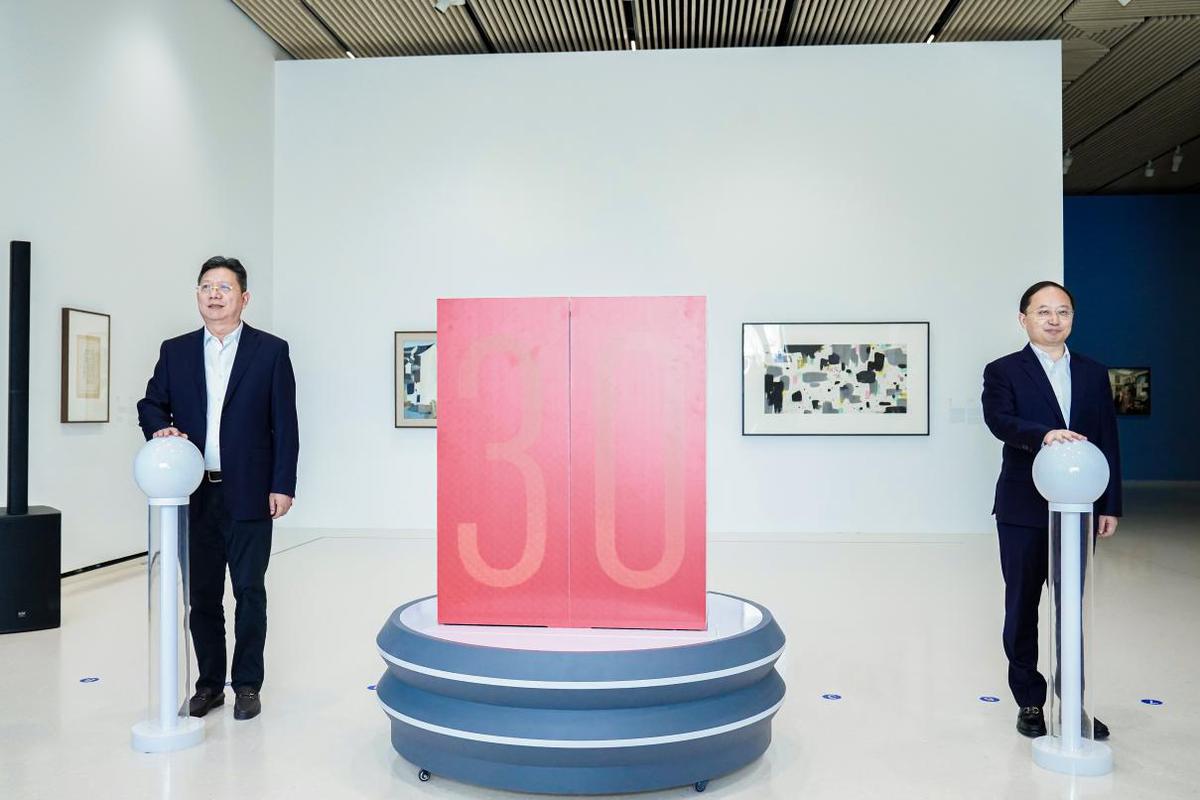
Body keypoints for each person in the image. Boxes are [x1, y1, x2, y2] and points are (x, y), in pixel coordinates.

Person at [137, 256, 299, 721]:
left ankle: (247, 684)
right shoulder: (176, 351)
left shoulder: (270, 351)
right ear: (197, 295)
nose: (214, 294)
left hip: (250, 491)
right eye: (206, 286)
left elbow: (285, 424)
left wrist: (282, 484)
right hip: (195, 494)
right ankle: (209, 685)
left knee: (249, 591)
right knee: (202, 596)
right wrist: (160, 428)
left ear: (244, 298)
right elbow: (150, 403)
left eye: (224, 288)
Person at [981, 280, 1121, 740]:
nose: (1054, 319)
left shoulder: (1093, 372)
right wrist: (1044, 435)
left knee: (1070, 609)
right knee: (1022, 607)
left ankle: (1073, 704)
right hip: (1022, 508)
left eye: (1063, 311)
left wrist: (1110, 504)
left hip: (1079, 509)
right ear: (1023, 319)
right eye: (1043, 311)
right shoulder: (1003, 370)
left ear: (1072, 319)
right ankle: (1030, 701)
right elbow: (999, 420)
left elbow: (1108, 439)